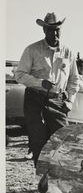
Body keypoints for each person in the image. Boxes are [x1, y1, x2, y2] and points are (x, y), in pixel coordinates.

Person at [15, 12, 79, 167]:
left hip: (58, 100)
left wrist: (70, 101)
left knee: (62, 138)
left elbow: (74, 80)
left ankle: (56, 174)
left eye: (57, 29)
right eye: (50, 29)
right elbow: (19, 75)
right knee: (38, 139)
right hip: (34, 99)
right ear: (44, 30)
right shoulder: (32, 49)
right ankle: (42, 177)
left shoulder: (68, 52)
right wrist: (39, 82)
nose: (54, 33)